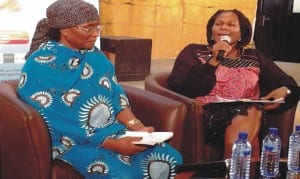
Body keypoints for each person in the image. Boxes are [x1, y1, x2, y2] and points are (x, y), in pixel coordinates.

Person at [17, 0, 182, 178]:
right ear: (64, 30)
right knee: (122, 175)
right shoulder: (40, 66)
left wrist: (138, 128)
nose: (95, 34)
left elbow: (115, 96)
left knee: (172, 158)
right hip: (72, 142)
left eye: (97, 27)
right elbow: (58, 123)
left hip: (112, 131)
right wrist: (111, 144)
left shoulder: (95, 55)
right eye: (88, 28)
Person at [167, 9, 300, 160]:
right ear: (211, 31)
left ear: (241, 33)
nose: (224, 28)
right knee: (252, 134)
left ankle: (233, 165)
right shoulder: (194, 52)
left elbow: (286, 82)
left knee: (249, 110)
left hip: (248, 113)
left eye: (231, 25)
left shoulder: (254, 56)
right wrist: (213, 62)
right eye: (219, 24)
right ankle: (240, 167)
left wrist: (285, 90)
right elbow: (181, 88)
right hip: (205, 115)